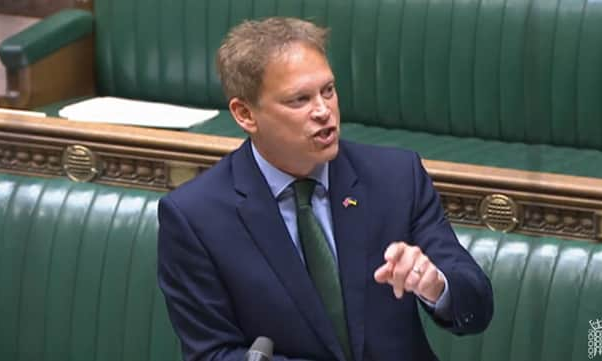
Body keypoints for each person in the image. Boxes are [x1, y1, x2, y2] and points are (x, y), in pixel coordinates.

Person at [157, 17, 493, 361]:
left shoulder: (395, 177)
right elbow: (211, 354)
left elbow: (477, 305)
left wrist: (436, 285)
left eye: (328, 91)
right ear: (245, 114)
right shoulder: (195, 217)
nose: (323, 111)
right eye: (299, 100)